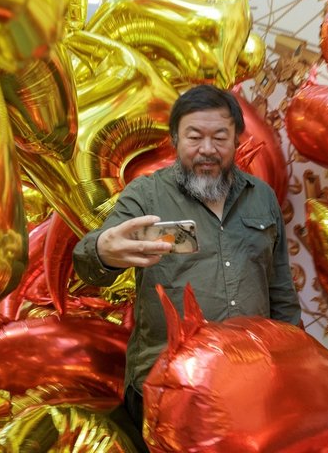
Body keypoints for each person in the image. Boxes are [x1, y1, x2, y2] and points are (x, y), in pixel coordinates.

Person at [72, 84, 301, 447]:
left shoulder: (262, 197)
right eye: (194, 137)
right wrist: (103, 251)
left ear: (236, 140)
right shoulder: (146, 195)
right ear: (175, 140)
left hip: (249, 382)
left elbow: (280, 291)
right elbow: (87, 260)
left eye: (220, 137)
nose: (207, 148)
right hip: (169, 386)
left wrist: (292, 366)